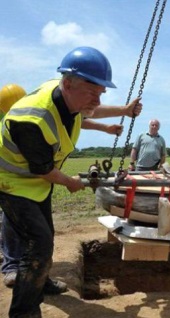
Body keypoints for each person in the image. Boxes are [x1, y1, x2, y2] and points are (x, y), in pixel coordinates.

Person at [0, 46, 142, 317]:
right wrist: (69, 182)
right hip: (10, 181)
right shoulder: (30, 120)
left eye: (101, 94)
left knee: (46, 236)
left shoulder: (68, 96)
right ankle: (23, 311)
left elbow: (84, 114)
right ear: (68, 83)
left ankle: (39, 281)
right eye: (93, 93)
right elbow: (43, 169)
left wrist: (122, 111)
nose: (97, 100)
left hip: (34, 181)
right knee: (38, 242)